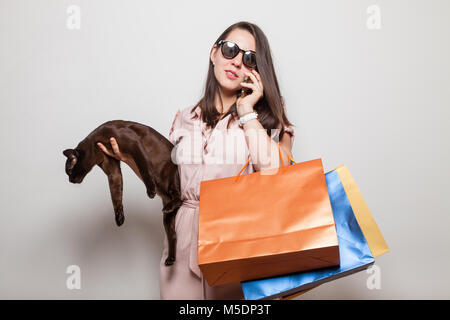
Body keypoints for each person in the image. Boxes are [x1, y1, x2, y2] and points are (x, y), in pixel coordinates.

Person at [97, 21, 295, 300]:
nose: (237, 62)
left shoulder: (270, 119)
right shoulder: (185, 116)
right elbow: (172, 188)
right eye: (230, 50)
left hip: (237, 245)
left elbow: (278, 177)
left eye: (249, 58)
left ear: (256, 70)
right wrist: (129, 159)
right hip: (181, 246)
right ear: (214, 53)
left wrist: (248, 111)